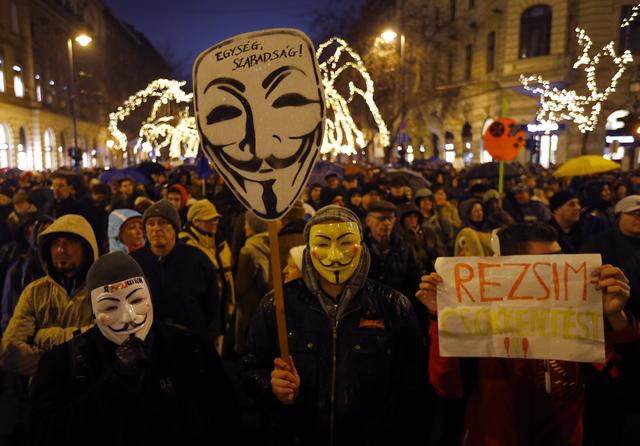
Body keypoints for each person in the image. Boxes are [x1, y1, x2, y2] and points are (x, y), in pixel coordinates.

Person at [417, 222, 639, 446]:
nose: (560, 269)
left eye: (562, 259)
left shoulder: (578, 314)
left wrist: (616, 317)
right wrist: (442, 318)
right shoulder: (480, 317)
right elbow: (447, 385)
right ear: (512, 270)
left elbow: (627, 381)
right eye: (547, 265)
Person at [240, 205, 432, 445]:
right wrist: (272, 385)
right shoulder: (277, 304)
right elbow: (249, 366)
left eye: (344, 242)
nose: (334, 256)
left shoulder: (393, 306)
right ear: (309, 250)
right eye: (322, 244)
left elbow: (413, 385)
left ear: (360, 246)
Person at [28, 251, 241, 445]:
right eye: (110, 306)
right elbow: (43, 432)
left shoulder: (193, 349)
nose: (129, 316)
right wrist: (113, 383)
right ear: (93, 312)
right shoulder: (62, 362)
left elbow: (226, 420)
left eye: (137, 299)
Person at [0, 213, 98, 376]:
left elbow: (101, 344)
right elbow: (10, 352)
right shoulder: (34, 291)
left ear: (87, 248)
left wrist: (41, 336)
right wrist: (60, 363)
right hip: (43, 394)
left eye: (70, 242)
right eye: (55, 243)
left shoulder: (101, 290)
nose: (61, 249)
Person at [129, 200, 218, 338]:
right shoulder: (134, 263)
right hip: (149, 341)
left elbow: (211, 304)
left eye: (163, 222)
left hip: (190, 340)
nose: (156, 228)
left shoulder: (196, 259)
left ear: (175, 228)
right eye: (151, 223)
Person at [179, 199, 235, 347]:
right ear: (196, 222)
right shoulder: (186, 245)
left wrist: (231, 307)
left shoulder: (221, 243)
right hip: (201, 317)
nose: (215, 221)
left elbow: (229, 279)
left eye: (216, 218)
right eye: (210, 219)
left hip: (221, 314)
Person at [580, 195, 640, 318]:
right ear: (618, 217)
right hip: (618, 319)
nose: (639, 218)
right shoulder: (597, 244)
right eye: (633, 213)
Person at [233, 212, 271, 355]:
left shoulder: (248, 250)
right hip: (263, 303)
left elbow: (240, 286)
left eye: (247, 224)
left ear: (254, 227)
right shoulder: (270, 245)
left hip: (248, 306)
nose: (244, 227)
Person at [396, 202, 446, 271]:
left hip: (433, 269)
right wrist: (424, 254)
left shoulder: (429, 231)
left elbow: (442, 250)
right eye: (409, 217)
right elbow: (405, 258)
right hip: (412, 272)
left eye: (415, 216)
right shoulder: (400, 236)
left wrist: (435, 252)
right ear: (402, 219)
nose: (413, 219)